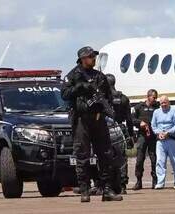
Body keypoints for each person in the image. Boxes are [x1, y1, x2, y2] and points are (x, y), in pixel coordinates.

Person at [61, 46, 122, 202]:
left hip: (98, 119)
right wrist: (80, 88)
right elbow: (65, 94)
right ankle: (84, 190)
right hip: (82, 119)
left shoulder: (99, 76)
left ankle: (106, 189)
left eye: (94, 56)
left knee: (106, 154)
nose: (93, 59)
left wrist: (107, 106)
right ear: (82, 58)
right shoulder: (73, 75)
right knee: (82, 155)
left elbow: (108, 96)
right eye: (90, 56)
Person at [106, 73, 135, 194]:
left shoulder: (103, 98)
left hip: (106, 129)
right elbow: (129, 119)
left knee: (104, 157)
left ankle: (105, 185)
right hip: (120, 129)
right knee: (122, 158)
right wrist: (131, 135)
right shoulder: (123, 98)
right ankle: (122, 185)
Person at [151, 96, 175, 189]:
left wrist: (168, 132)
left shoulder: (174, 111)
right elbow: (153, 125)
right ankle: (160, 183)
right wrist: (158, 133)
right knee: (160, 162)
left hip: (171, 139)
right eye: (162, 103)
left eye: (165, 102)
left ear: (168, 102)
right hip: (160, 141)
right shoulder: (156, 112)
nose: (163, 105)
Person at [132, 89, 159, 190]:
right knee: (139, 159)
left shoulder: (157, 107)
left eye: (156, 97)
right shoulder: (139, 107)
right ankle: (139, 181)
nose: (155, 99)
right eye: (154, 97)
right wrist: (140, 123)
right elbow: (132, 119)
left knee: (154, 159)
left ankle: (155, 181)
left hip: (153, 136)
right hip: (142, 136)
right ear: (148, 96)